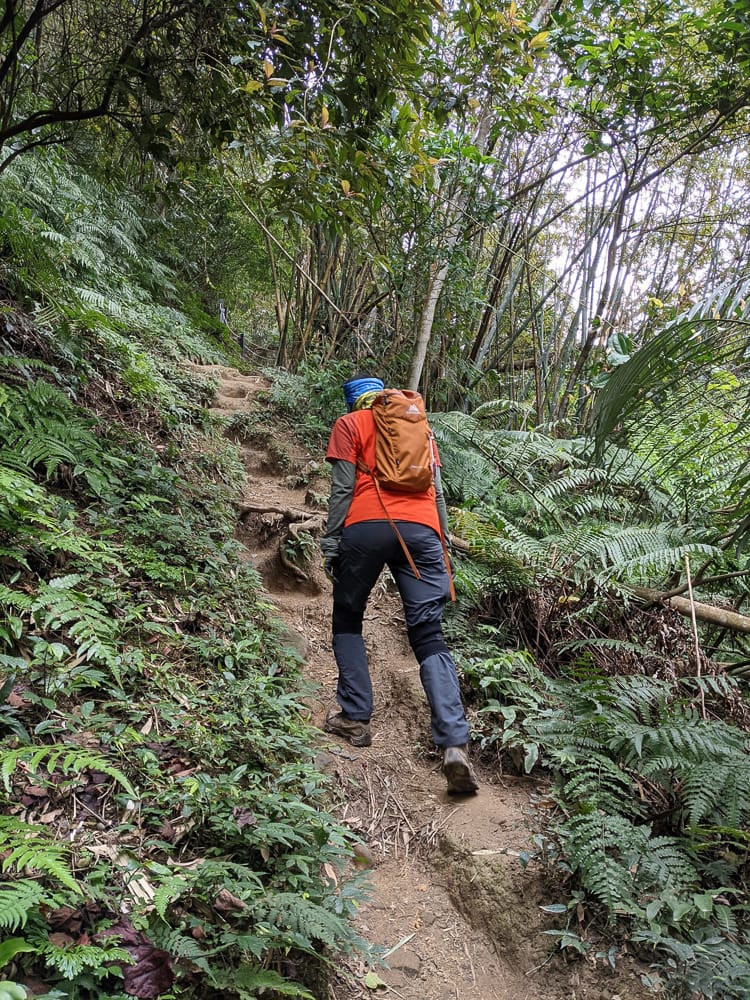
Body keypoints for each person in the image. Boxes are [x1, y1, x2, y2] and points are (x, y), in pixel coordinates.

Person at [319, 374, 478, 795]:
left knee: (347, 618)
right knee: (428, 633)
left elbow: (342, 490)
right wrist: (442, 541)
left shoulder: (349, 424)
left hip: (365, 527)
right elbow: (437, 493)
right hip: (423, 532)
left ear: (354, 402)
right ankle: (454, 743)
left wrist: (331, 542)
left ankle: (355, 717)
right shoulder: (420, 429)